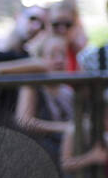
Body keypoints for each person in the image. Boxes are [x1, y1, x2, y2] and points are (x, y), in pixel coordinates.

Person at [14, 34, 74, 165]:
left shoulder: (68, 91)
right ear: (40, 59)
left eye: (63, 55)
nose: (59, 60)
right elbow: (24, 121)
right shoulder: (32, 85)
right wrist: (63, 128)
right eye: (53, 55)